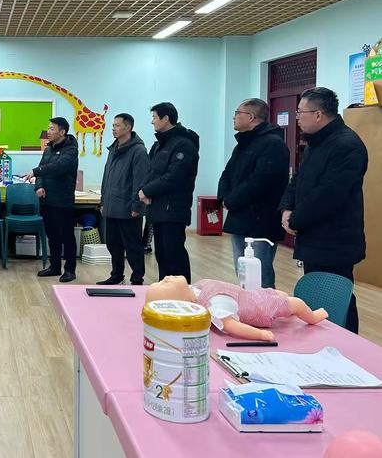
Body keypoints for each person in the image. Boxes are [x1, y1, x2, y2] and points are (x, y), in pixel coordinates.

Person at [279, 87, 368, 333]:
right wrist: (286, 208)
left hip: (336, 240)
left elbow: (329, 194)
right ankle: (321, 342)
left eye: (301, 112)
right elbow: (298, 180)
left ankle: (347, 344)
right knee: (317, 297)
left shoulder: (347, 145)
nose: (297, 117)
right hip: (314, 236)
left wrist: (296, 219)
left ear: (318, 114)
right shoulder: (316, 143)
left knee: (338, 300)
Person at [217, 98, 290, 288]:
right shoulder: (243, 143)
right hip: (239, 216)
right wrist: (223, 197)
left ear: (250, 117)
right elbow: (227, 173)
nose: (233, 117)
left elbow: (260, 181)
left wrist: (231, 200)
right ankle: (248, 305)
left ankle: (266, 307)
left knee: (259, 275)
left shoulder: (273, 144)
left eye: (237, 113)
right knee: (243, 273)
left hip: (260, 220)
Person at [138, 102, 199, 283]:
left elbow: (174, 177)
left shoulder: (184, 145)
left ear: (166, 118)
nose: (152, 121)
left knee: (174, 256)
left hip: (173, 209)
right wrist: (144, 191)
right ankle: (166, 291)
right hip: (157, 208)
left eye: (154, 117)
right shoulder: (159, 145)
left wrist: (147, 190)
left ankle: (181, 292)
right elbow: (150, 172)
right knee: (162, 256)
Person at [98, 113, 150, 285]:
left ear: (128, 127)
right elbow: (106, 178)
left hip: (128, 208)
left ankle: (137, 278)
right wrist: (103, 201)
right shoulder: (113, 149)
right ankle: (116, 275)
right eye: (113, 125)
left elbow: (140, 181)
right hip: (111, 205)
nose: (113, 128)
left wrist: (137, 205)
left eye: (117, 125)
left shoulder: (138, 151)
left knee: (133, 245)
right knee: (113, 243)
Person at [29, 117, 79, 282]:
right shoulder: (48, 149)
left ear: (62, 132)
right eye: (48, 128)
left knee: (67, 236)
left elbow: (59, 167)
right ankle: (55, 266)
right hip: (47, 200)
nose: (48, 132)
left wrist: (36, 172)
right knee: (52, 235)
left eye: (52, 129)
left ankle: (70, 270)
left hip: (63, 200)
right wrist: (39, 186)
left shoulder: (71, 150)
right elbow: (42, 170)